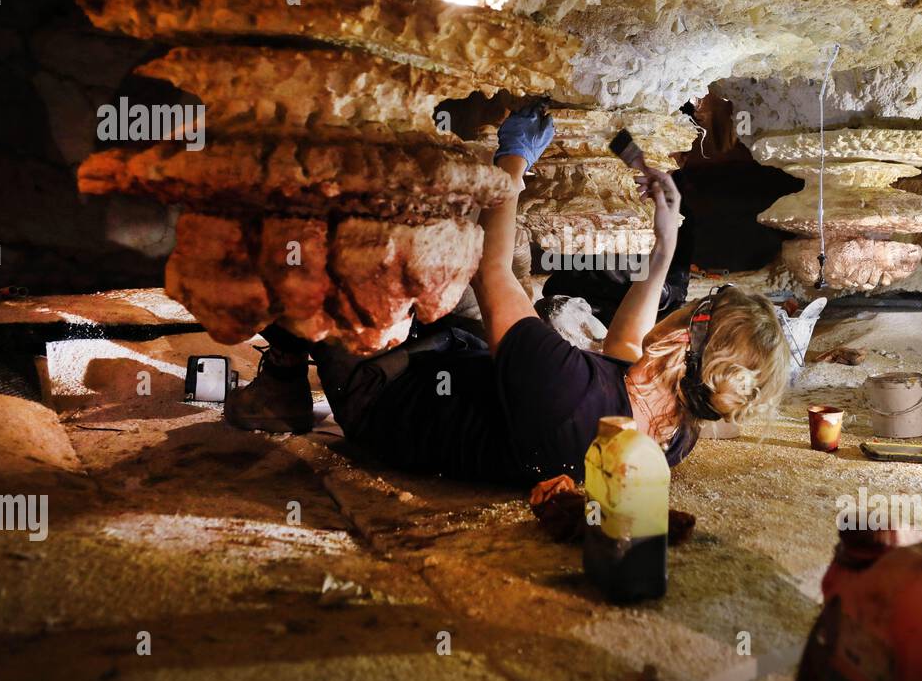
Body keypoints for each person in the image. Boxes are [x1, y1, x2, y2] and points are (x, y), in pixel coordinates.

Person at [225, 106, 791, 486]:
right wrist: (664, 248)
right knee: (463, 265)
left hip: (386, 392)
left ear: (682, 334)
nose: (674, 307)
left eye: (687, 308)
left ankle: (281, 380)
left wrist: (513, 161)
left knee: (314, 247)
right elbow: (624, 343)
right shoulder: (671, 434)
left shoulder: (567, 387)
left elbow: (488, 269)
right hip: (470, 362)